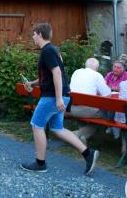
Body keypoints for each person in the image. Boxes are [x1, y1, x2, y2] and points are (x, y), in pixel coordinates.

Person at [20, 23, 99, 175]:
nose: (33, 37)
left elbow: (56, 73)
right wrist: (32, 83)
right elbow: (51, 74)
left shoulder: (47, 51)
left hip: (52, 97)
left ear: (41, 35)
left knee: (36, 125)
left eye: (34, 34)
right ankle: (88, 155)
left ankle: (40, 163)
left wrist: (58, 99)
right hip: (61, 95)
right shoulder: (53, 50)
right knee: (58, 129)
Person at [68, 57, 112, 145]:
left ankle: (82, 137)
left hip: (70, 108)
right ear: (97, 68)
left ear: (85, 65)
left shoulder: (76, 72)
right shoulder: (97, 75)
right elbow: (107, 95)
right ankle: (76, 135)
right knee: (105, 116)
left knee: (88, 111)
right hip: (85, 110)